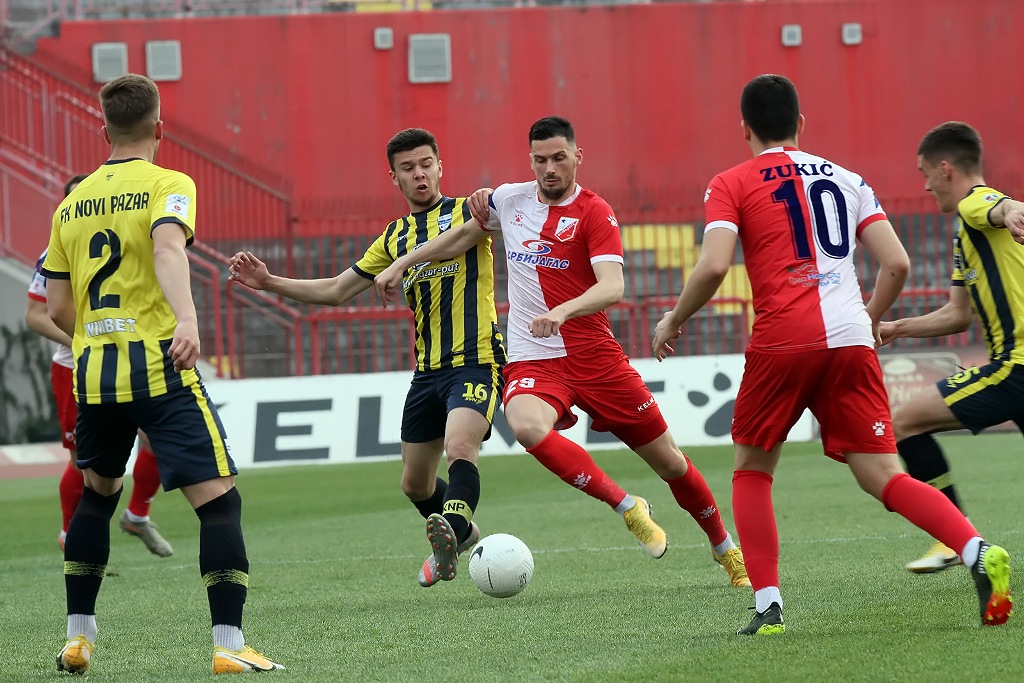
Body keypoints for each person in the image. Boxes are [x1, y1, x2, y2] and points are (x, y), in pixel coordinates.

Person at [651, 74, 1012, 635]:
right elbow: (897, 264)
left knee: (751, 470)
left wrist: (674, 319)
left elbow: (716, 265)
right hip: (848, 339)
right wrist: (866, 319)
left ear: (744, 127)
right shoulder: (848, 179)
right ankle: (974, 547)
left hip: (782, 339)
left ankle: (768, 606)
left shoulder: (730, 181)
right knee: (884, 473)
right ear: (801, 124)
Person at [375, 116, 750, 589]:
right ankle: (627, 506)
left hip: (595, 357)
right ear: (529, 160)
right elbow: (460, 237)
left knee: (671, 462)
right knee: (527, 426)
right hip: (535, 357)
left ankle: (725, 548)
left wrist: (563, 311)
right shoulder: (508, 200)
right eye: (539, 160)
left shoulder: (595, 213)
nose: (549, 168)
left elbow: (613, 287)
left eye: (558, 158)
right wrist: (404, 262)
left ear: (577, 156)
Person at [42, 74, 282, 674]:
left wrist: (99, 338)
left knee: (97, 498)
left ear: (104, 128)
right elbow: (170, 248)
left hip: (94, 375)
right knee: (219, 504)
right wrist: (187, 319)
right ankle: (229, 645)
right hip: (157, 366)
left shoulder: (71, 204)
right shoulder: (169, 183)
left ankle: (79, 638)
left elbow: (57, 308)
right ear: (159, 128)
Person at [229, 128, 506, 587]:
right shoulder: (393, 235)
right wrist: (270, 282)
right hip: (427, 371)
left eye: (426, 164)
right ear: (394, 178)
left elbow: (462, 240)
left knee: (461, 447)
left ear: (440, 165)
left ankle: (450, 537)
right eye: (408, 168)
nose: (419, 174)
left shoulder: (469, 210)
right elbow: (337, 289)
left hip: (476, 359)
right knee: (415, 484)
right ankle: (465, 532)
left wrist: (402, 265)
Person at [879, 121, 1024, 573]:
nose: (924, 186)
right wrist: (895, 328)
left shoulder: (974, 206)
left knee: (902, 422)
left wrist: (1013, 208)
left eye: (925, 173)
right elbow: (958, 314)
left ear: (945, 169)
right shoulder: (966, 235)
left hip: (1014, 368)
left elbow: (996, 205)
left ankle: (951, 535)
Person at [26, 173, 172, 558]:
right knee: (84, 462)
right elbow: (36, 315)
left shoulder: (122, 242)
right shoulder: (54, 253)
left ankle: (138, 514)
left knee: (157, 439)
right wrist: (82, 338)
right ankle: (67, 534)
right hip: (75, 367)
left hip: (127, 354)